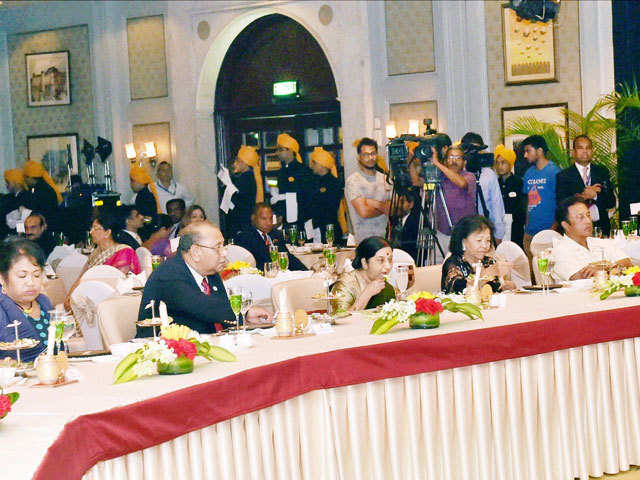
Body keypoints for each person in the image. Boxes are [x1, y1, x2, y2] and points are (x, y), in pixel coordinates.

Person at [137, 222, 272, 335]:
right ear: (196, 252)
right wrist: (246, 312)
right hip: (163, 352)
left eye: (224, 246)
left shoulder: (210, 272)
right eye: (217, 247)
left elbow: (220, 311)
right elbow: (203, 306)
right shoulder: (169, 274)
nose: (225, 253)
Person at [65, 210, 141, 307]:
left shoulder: (124, 252)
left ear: (107, 232)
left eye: (95, 228)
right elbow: (82, 278)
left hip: (112, 302)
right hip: (90, 298)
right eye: (91, 228)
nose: (91, 232)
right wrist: (70, 297)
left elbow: (121, 284)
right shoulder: (95, 253)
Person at [551, 197, 631, 281]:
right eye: (580, 217)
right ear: (566, 225)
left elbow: (628, 264)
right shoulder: (561, 250)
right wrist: (614, 267)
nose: (588, 221)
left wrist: (603, 267)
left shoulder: (601, 242)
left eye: (588, 215)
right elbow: (579, 278)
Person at [0, 238, 53, 362]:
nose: (31, 282)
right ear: (2, 278)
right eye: (22, 276)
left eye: (36, 275)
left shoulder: (44, 303)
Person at [556, 135, 616, 237]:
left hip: (601, 227)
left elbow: (611, 202)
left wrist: (595, 196)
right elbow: (562, 205)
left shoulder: (602, 171)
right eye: (580, 148)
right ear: (574, 152)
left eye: (588, 148)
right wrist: (583, 197)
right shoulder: (564, 175)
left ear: (592, 151)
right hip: (577, 231)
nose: (585, 151)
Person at [441, 216, 516, 294]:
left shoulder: (488, 261)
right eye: (479, 240)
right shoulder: (453, 264)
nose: (484, 245)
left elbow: (494, 288)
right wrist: (488, 273)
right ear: (463, 242)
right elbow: (462, 290)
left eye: (488, 240)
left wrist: (505, 286)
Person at [460, 133, 506, 243]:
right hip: (463, 230)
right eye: (470, 151)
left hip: (484, 231)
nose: (474, 155)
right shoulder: (458, 174)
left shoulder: (489, 174)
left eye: (477, 151)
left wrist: (498, 234)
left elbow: (497, 206)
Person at [521, 135, 562, 260]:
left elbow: (561, 203)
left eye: (528, 151)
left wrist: (553, 229)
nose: (525, 155)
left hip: (549, 231)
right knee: (532, 272)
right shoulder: (528, 174)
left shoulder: (555, 171)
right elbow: (528, 201)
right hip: (530, 231)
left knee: (548, 272)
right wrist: (526, 227)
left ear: (539, 151)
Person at [330, 236, 395, 312]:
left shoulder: (387, 288)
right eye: (381, 260)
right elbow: (340, 319)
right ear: (364, 263)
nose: (388, 266)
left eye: (390, 260)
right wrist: (367, 294)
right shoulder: (345, 286)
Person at [234, 203, 307, 271]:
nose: (269, 223)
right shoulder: (245, 238)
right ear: (253, 218)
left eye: (271, 218)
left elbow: (288, 258)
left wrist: (307, 272)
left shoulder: (276, 234)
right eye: (264, 219)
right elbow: (252, 266)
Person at [433, 146, 477, 258]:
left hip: (464, 234)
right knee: (439, 267)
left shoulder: (469, 176)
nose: (454, 161)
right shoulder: (440, 176)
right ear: (446, 160)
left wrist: (437, 163)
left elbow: (461, 184)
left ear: (464, 162)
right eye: (451, 157)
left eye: (458, 158)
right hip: (443, 233)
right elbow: (417, 182)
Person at [345, 138, 392, 242]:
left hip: (384, 238)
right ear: (359, 157)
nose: (371, 157)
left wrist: (372, 203)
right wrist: (383, 207)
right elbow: (364, 212)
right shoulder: (353, 181)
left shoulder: (385, 179)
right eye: (366, 154)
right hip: (363, 240)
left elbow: (393, 209)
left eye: (373, 153)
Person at [272, 133, 313, 229]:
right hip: (285, 219)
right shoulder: (282, 171)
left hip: (301, 218)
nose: (277, 153)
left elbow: (306, 197)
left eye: (280, 150)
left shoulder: (303, 170)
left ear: (290, 150)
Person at [309, 147, 343, 243]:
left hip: (330, 228)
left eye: (314, 163)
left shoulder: (334, 183)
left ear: (322, 165)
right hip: (315, 227)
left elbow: (329, 207)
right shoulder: (312, 181)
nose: (312, 166)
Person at [494, 145, 526, 247]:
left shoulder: (519, 182)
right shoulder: (494, 183)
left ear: (510, 164)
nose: (500, 166)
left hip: (516, 227)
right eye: (497, 163)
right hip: (498, 226)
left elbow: (522, 206)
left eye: (503, 162)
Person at [225, 146, 259, 238]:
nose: (235, 164)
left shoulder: (246, 179)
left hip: (240, 223)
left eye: (238, 161)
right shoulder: (243, 177)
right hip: (239, 222)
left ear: (246, 163)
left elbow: (237, 200)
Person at [22, 160, 62, 231]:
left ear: (31, 178)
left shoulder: (42, 191)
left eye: (26, 178)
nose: (24, 180)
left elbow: (38, 209)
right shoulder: (41, 187)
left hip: (45, 227)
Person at [1, 169, 29, 237]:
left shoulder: (26, 198)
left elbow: (21, 220)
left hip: (15, 235)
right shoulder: (11, 196)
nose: (6, 185)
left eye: (8, 182)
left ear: (15, 182)